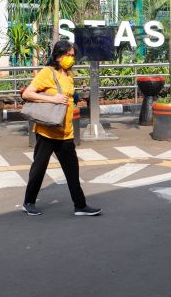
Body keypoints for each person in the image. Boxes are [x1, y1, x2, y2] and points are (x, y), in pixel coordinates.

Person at [21, 40, 101, 216]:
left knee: (72, 171)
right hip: (48, 131)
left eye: (73, 56)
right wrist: (53, 99)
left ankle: (80, 206)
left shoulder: (69, 74)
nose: (70, 59)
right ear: (58, 55)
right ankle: (28, 202)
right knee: (39, 169)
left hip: (66, 132)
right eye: (68, 55)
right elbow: (27, 93)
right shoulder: (47, 72)